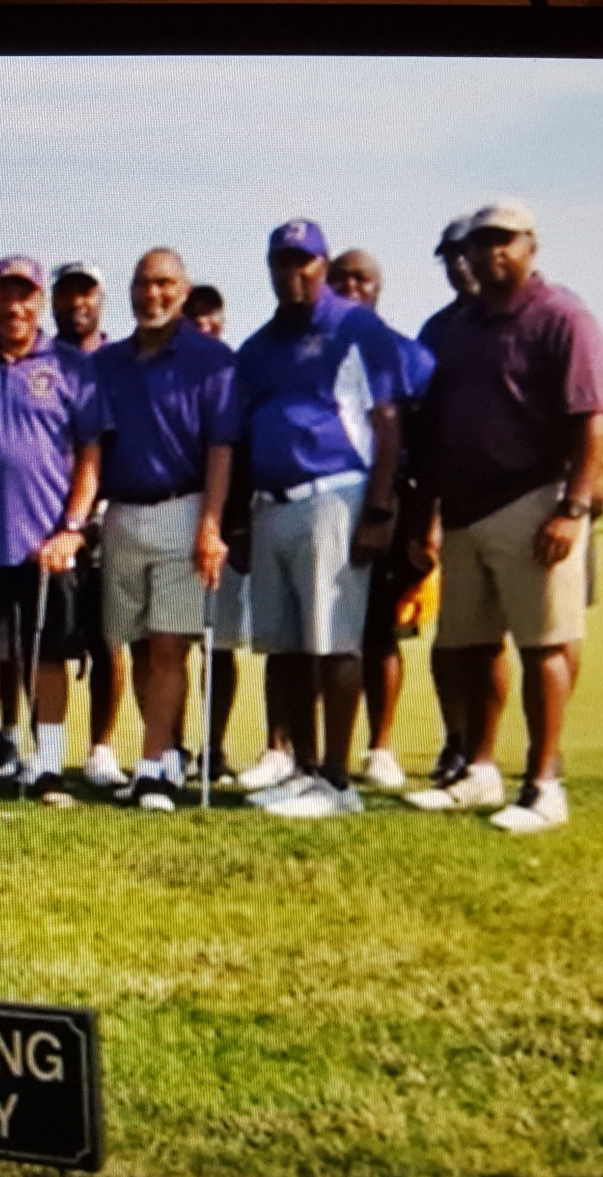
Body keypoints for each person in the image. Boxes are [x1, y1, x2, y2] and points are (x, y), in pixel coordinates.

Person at [406, 200, 603, 832]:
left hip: (534, 501)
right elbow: (433, 429)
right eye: (480, 243)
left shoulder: (563, 318)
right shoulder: (455, 328)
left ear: (530, 246)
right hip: (464, 510)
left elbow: (594, 419)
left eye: (504, 241)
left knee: (545, 645)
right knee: (467, 645)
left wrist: (572, 507)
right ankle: (478, 769)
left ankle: (544, 784)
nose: (490, 252)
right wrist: (426, 515)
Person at [233, 219, 404, 818]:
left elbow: (386, 423)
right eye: (283, 261)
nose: (294, 272)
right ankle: (304, 769)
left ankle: (337, 780)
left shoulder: (356, 329)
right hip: (271, 503)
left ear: (323, 266)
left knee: (334, 642)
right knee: (285, 647)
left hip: (335, 496)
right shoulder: (258, 346)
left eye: (305, 261)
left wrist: (380, 509)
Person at [0, 255, 101, 810]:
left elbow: (90, 455)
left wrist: (72, 529)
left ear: (39, 301)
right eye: (5, 295)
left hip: (49, 547)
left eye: (25, 295)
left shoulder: (69, 366)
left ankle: (49, 770)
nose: (15, 306)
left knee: (49, 659)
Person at [93, 250, 238, 813]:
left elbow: (221, 448)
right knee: (131, 640)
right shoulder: (108, 363)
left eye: (164, 284)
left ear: (182, 291)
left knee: (168, 644)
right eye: (142, 284)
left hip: (183, 509)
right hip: (122, 513)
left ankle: (155, 770)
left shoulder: (212, 360)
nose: (152, 295)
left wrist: (211, 525)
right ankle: (164, 755)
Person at [326, 248, 437, 792]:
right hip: (324, 503)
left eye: (361, 278)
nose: (350, 286)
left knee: (379, 635)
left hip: (391, 508)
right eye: (340, 278)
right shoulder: (311, 351)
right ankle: (309, 753)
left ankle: (381, 747)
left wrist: (421, 525)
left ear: (378, 287)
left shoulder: (406, 354)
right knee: (321, 635)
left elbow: (428, 446)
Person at [417, 215, 499, 789]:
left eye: (465, 253)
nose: (458, 265)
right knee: (453, 640)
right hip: (453, 506)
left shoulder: (532, 315)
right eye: (448, 256)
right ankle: (457, 742)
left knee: (511, 642)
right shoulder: (438, 331)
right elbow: (423, 425)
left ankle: (493, 759)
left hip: (524, 501)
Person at [51, 261, 126, 789]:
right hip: (46, 522)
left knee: (109, 638)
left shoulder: (120, 360)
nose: (78, 302)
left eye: (87, 293)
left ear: (100, 299)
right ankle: (35, 745)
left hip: (112, 515)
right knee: (45, 642)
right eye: (68, 293)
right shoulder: (42, 358)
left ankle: (101, 747)